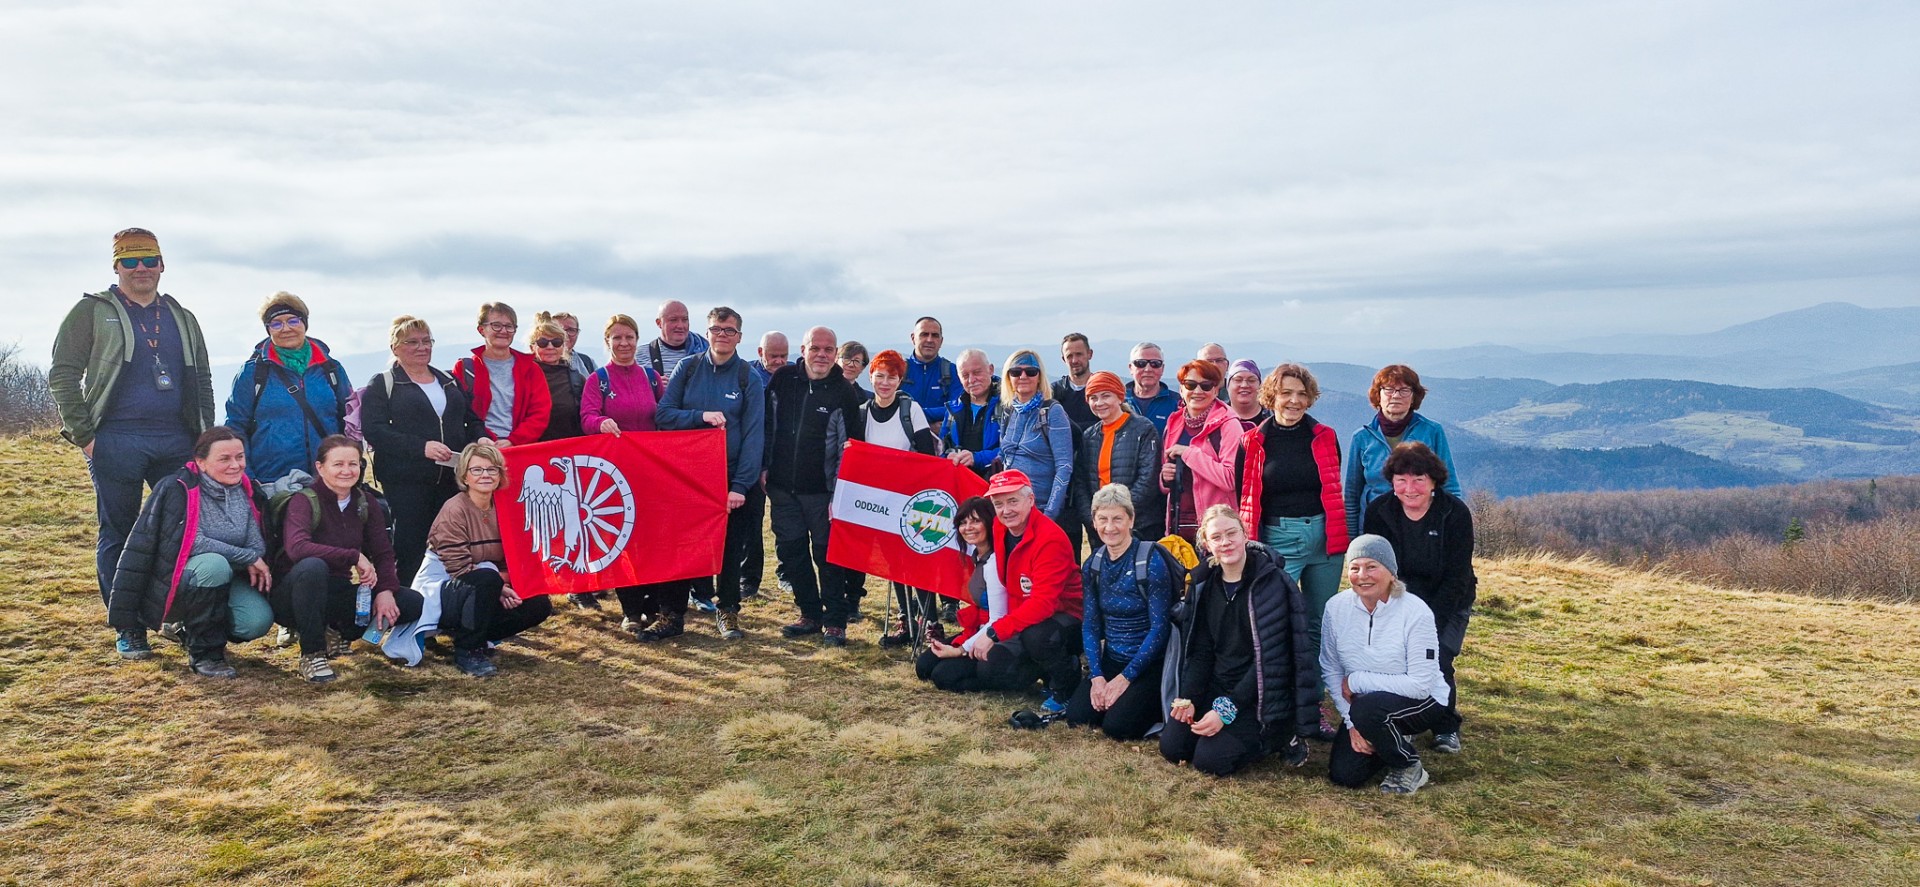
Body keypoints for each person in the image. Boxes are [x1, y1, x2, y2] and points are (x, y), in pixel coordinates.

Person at [51, 228, 217, 629]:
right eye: (130, 260)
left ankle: (170, 617)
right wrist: (86, 437)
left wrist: (202, 436)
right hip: (116, 440)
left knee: (177, 532)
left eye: (148, 260)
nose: (140, 268)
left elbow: (203, 379)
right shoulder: (91, 310)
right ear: (116, 266)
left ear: (162, 265)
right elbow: (63, 374)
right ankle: (127, 627)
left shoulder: (182, 316)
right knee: (119, 533)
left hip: (176, 440)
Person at [1235, 362, 1349, 739]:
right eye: (1286, 393)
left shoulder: (1325, 436)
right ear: (1272, 396)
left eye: (1301, 394)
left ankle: (1312, 705)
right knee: (1274, 624)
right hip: (1277, 540)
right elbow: (1245, 496)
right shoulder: (1253, 442)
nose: (1294, 401)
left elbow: (1332, 488)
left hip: (1324, 538)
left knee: (1318, 625)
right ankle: (1271, 704)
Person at [1161, 506, 1317, 776]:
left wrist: (1224, 710)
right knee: (1173, 747)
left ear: (1245, 534)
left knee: (1210, 761)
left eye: (1231, 533)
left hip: (1259, 696)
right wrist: (1190, 698)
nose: (1226, 542)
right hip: (1218, 683)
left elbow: (1269, 661)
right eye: (1217, 537)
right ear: (1207, 545)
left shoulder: (1272, 583)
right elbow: (1201, 651)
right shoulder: (1205, 584)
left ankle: (1278, 738)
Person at [106, 427, 275, 675]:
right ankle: (205, 657)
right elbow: (194, 542)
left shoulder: (247, 490)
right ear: (201, 462)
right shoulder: (176, 489)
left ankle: (188, 631)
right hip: (172, 585)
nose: (235, 465)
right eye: (224, 459)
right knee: (212, 564)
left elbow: (257, 545)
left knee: (256, 622)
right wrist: (246, 557)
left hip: (224, 583)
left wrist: (250, 555)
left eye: (240, 457)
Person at [655, 306, 766, 640]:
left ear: (739, 337)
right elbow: (664, 415)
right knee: (682, 547)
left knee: (731, 549)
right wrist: (700, 416)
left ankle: (728, 612)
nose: (722, 335)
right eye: (717, 329)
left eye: (729, 331)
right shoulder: (688, 369)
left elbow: (753, 435)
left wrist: (741, 485)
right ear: (707, 332)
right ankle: (672, 615)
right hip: (688, 476)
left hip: (730, 478)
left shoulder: (749, 377)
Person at [273, 436, 423, 683]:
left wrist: (386, 590)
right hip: (295, 596)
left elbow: (384, 553)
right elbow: (298, 549)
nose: (347, 471)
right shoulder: (304, 500)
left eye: (353, 464)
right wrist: (354, 556)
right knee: (313, 566)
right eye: (338, 464)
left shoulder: (366, 502)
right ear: (320, 467)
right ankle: (312, 654)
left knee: (410, 601)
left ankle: (339, 631)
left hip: (338, 591)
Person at [1362, 442, 1475, 755]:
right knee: (1395, 658)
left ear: (1434, 482)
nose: (1409, 488)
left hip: (1449, 600)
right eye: (1401, 479)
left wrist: (1428, 623)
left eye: (1418, 480)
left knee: (1437, 657)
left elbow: (1458, 576)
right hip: (1399, 597)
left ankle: (1445, 726)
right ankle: (1405, 722)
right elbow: (1375, 566)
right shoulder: (1379, 512)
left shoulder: (1454, 514)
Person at [359, 315, 488, 587]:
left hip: (451, 480)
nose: (421, 347)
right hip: (406, 482)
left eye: (427, 341)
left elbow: (471, 420)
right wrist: (421, 448)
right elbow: (374, 431)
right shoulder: (382, 384)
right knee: (412, 547)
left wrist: (482, 439)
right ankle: (409, 608)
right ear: (395, 347)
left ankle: (451, 603)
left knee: (453, 543)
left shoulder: (449, 380)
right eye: (412, 342)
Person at [940, 470, 1083, 708]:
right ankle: (1033, 666)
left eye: (1013, 501)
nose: (1006, 510)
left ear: (1030, 500)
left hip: (1063, 618)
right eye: (999, 504)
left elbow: (1043, 604)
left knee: (1035, 638)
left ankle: (1065, 681)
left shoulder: (1050, 539)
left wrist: (994, 633)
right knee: (968, 671)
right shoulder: (999, 527)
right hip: (1020, 617)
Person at [1322, 535, 1452, 794]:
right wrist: (1351, 724)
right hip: (1365, 709)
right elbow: (1331, 668)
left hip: (1423, 701)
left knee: (1368, 709)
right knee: (1345, 774)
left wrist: (1357, 680)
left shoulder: (1416, 612)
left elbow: (1421, 685)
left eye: (1372, 567)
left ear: (1391, 573)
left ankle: (1408, 765)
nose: (1363, 575)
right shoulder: (1335, 608)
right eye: (1355, 567)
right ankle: (1388, 734)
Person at [580, 314, 681, 638]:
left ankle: (654, 606)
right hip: (616, 477)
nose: (624, 344)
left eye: (629, 338)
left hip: (651, 473)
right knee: (623, 540)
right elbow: (587, 415)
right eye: (617, 338)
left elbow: (666, 414)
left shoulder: (652, 378)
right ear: (607, 342)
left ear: (638, 341)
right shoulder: (598, 380)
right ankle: (631, 610)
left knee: (652, 539)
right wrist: (600, 424)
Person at [769, 327, 869, 646]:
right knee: (792, 552)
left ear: (836, 352)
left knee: (827, 556)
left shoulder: (843, 391)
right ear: (804, 349)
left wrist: (839, 492)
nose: (822, 355)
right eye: (816, 348)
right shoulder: (783, 379)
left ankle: (835, 621)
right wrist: (762, 468)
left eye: (829, 349)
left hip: (823, 492)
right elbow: (765, 425)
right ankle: (809, 614)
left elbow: (851, 447)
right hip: (782, 488)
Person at [424, 441, 555, 677]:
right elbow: (458, 568)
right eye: (477, 470)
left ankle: (480, 635)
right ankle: (468, 650)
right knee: (485, 579)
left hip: (490, 583)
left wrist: (506, 585)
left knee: (538, 604)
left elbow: (517, 556)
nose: (485, 475)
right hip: (447, 587)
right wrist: (500, 587)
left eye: (491, 469)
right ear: (465, 476)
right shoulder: (454, 509)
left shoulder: (507, 507)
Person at [1065, 484, 1176, 741]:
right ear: (1093, 522)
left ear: (1131, 519)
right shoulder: (1093, 564)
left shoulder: (1150, 561)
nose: (1110, 527)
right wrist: (1097, 677)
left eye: (1117, 518)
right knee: (1078, 716)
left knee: (1118, 727)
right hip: (1113, 657)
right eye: (1102, 519)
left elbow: (1160, 628)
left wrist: (1125, 679)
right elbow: (1091, 625)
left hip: (1148, 662)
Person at [856, 349, 941, 647]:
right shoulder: (863, 411)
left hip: (910, 498)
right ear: (871, 377)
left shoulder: (910, 409)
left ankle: (930, 622)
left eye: (892, 377)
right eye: (880, 376)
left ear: (899, 379)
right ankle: (906, 620)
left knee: (915, 562)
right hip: (881, 500)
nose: (885, 382)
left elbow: (927, 457)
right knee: (894, 563)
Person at [223, 292, 353, 485]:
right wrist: (248, 478)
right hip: (272, 480)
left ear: (304, 324)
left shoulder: (330, 368)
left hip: (328, 479)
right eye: (276, 323)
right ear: (268, 329)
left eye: (293, 320)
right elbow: (235, 427)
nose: (286, 329)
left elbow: (350, 420)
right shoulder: (253, 372)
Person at [1343, 364, 1462, 539]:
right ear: (1378, 395)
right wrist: (1354, 539)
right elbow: (1352, 494)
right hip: (1375, 526)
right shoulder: (1362, 438)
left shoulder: (1432, 431)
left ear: (1414, 396)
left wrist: (1451, 527)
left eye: (1404, 390)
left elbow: (1449, 486)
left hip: (1422, 526)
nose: (1396, 396)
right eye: (1389, 389)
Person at [915, 496, 1003, 690]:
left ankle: (1003, 678)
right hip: (979, 628)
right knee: (924, 667)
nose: (968, 527)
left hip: (997, 634)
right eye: (963, 522)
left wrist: (961, 650)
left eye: (976, 521)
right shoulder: (977, 556)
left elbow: (999, 619)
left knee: (943, 677)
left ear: (990, 522)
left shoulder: (995, 562)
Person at [1071, 371, 1164, 542]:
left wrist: (1119, 514)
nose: (1099, 403)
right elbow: (1080, 482)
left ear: (1120, 397)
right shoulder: (1089, 436)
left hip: (1139, 526)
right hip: (1100, 529)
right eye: (1093, 398)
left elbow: (1148, 479)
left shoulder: (1143, 429)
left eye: (1106, 396)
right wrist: (1092, 516)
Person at [1160, 360, 1246, 545]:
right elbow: (1165, 481)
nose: (1198, 391)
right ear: (1181, 389)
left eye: (1206, 386)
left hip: (1216, 527)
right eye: (1190, 385)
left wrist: (1189, 454)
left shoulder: (1229, 425)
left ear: (1216, 391)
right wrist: (1165, 478)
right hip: (1178, 524)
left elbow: (1230, 478)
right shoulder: (1174, 423)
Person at [453, 302, 551, 447]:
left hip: (520, 448)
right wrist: (483, 437)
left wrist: (513, 440)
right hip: (479, 447)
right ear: (481, 330)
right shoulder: (465, 368)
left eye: (509, 326)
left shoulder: (531, 369)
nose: (503, 331)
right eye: (496, 325)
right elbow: (459, 412)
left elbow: (540, 413)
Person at [997, 350, 1075, 523]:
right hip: (1009, 512)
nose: (1023, 376)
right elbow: (1003, 455)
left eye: (1031, 371)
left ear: (1039, 376)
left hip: (1039, 510)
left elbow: (1064, 466)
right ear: (1008, 378)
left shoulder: (1053, 411)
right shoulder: (1008, 411)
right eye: (1016, 372)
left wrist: (1049, 514)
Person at [742, 330, 790, 597]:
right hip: (754, 457)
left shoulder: (796, 374)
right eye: (773, 356)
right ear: (760, 353)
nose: (780, 361)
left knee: (785, 521)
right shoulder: (747, 374)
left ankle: (787, 574)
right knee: (751, 520)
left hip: (787, 458)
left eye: (784, 355)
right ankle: (749, 580)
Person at [942, 348, 1001, 480]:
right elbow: (943, 448)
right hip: (961, 484)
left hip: (997, 485)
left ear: (990, 370)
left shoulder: (1007, 406)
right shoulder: (952, 410)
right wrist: (948, 457)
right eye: (965, 375)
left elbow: (1014, 450)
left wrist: (976, 458)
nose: (972, 380)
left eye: (977, 372)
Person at [528, 313, 586, 442]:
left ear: (564, 347)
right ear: (532, 347)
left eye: (556, 342)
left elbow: (589, 415)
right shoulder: (522, 377)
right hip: (531, 452)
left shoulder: (577, 379)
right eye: (543, 342)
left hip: (569, 451)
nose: (550, 347)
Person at [902, 316, 959, 433]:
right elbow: (889, 408)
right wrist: (925, 426)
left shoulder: (952, 371)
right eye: (924, 334)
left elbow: (957, 408)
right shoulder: (899, 370)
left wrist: (910, 415)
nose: (929, 340)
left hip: (940, 445)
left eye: (935, 335)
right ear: (913, 338)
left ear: (941, 341)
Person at [643, 300, 709, 388]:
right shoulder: (639, 355)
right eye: (673, 320)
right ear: (659, 323)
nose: (680, 326)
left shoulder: (707, 353)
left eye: (684, 320)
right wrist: (649, 386)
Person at [1125, 342, 1179, 430]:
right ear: (1131, 368)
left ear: (1162, 368)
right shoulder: (1117, 403)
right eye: (1140, 363)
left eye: (1155, 363)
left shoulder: (1177, 404)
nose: (1148, 369)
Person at [1225, 359, 1269, 431]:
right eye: (1238, 380)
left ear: (1260, 386)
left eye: (1251, 380)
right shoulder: (1216, 418)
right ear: (1228, 385)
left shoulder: (1274, 418)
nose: (1244, 385)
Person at [552, 312, 598, 377]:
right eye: (560, 330)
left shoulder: (587, 363)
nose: (565, 334)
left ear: (577, 333)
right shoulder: (542, 363)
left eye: (571, 330)